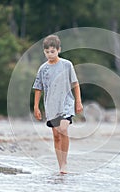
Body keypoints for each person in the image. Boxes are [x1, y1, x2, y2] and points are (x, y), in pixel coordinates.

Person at [33, 35, 83, 174]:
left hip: (66, 103)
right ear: (44, 52)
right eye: (47, 52)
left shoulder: (67, 65)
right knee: (56, 135)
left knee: (63, 129)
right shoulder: (43, 69)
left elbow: (75, 84)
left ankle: (64, 163)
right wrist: (36, 107)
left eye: (53, 51)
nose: (50, 54)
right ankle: (60, 164)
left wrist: (78, 102)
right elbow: (38, 88)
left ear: (59, 50)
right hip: (51, 106)